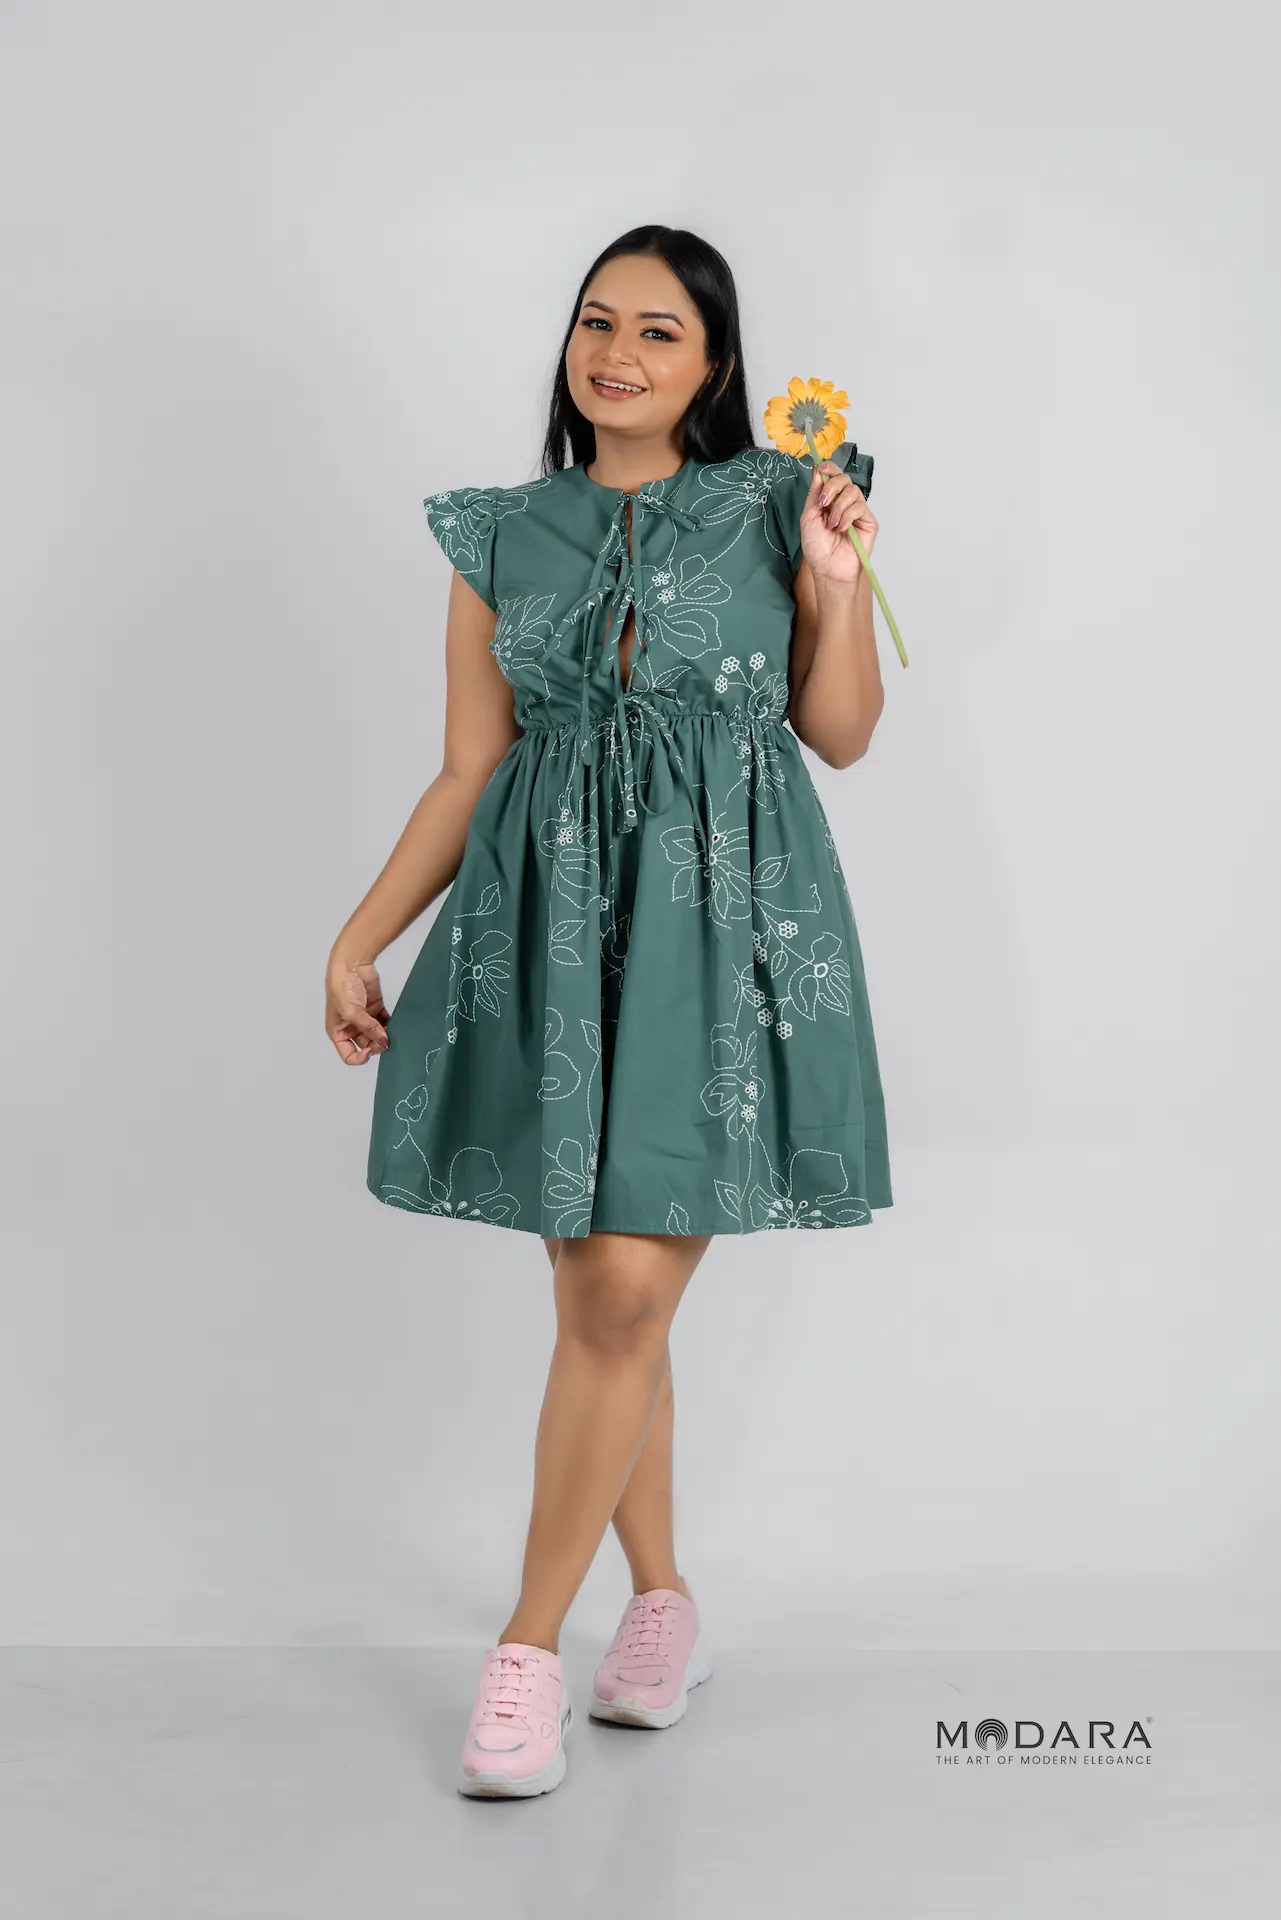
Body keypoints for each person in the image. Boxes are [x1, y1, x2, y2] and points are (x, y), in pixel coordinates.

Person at [324, 225, 894, 1798]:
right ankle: (663, 1606)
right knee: (607, 1299)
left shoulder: (785, 500)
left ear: (715, 367)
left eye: (658, 330)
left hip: (726, 932)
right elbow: (469, 770)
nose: (617, 352)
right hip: (556, 933)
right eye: (596, 321)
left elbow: (841, 731)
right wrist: (360, 937)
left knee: (622, 1295)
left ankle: (524, 1654)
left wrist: (837, 586)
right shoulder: (499, 534)